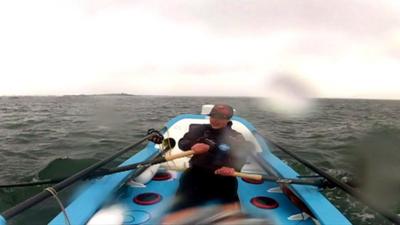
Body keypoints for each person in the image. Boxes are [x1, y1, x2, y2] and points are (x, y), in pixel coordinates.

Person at [170, 104, 252, 211]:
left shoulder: (236, 136)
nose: (215, 120)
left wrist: (233, 168)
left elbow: (242, 155)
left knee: (231, 211)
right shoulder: (199, 130)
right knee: (180, 206)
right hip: (197, 172)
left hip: (223, 176)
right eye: (213, 116)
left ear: (228, 119)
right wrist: (192, 145)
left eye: (221, 117)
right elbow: (182, 143)